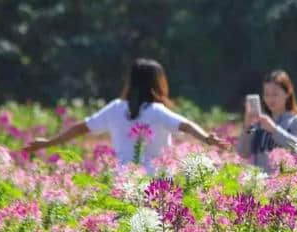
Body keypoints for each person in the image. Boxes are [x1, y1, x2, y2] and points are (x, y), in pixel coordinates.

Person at [23, 58, 229, 173]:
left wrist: (48, 143)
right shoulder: (156, 111)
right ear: (158, 83)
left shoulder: (115, 108)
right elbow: (186, 125)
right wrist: (206, 138)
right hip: (157, 181)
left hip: (123, 179)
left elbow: (81, 127)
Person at [236, 70, 297, 172]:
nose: (270, 99)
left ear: (288, 93)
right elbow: (243, 152)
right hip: (259, 184)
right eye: (267, 94)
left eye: (275, 94)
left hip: (285, 186)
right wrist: (248, 125)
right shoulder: (258, 123)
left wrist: (274, 130)